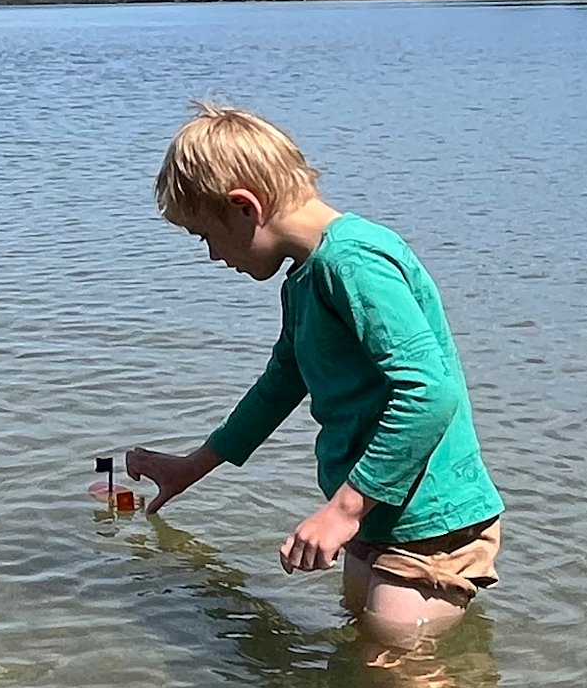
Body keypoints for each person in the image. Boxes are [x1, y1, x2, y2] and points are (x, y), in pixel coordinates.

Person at [124, 104, 502, 647]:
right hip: (380, 515)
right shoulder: (305, 279)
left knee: (402, 677)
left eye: (205, 235)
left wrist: (342, 510)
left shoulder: (353, 264)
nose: (210, 255)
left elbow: (429, 392)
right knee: (361, 651)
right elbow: (281, 381)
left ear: (244, 208)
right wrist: (193, 466)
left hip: (430, 520)